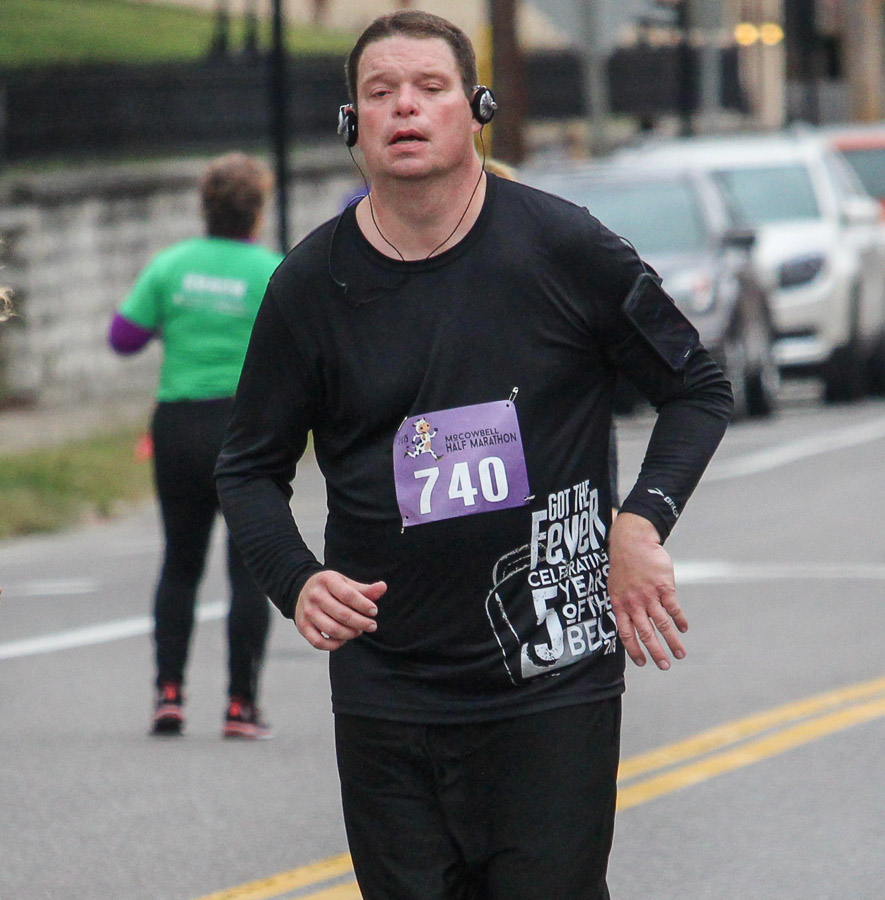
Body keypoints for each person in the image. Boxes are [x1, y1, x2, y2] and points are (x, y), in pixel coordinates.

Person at [216, 10, 732, 899]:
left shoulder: (564, 247)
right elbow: (246, 466)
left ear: (476, 108)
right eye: (380, 92)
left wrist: (642, 520)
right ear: (351, 123)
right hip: (388, 684)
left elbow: (698, 386)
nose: (404, 107)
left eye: (429, 87)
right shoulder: (310, 286)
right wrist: (294, 579)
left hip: (551, 674)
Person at [109, 153, 282, 739]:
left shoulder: (171, 264)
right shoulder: (271, 270)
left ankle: (169, 695)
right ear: (258, 210)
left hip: (178, 426)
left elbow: (122, 338)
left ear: (204, 207)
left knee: (181, 563)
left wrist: (178, 319)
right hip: (247, 429)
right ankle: (240, 705)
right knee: (248, 569)